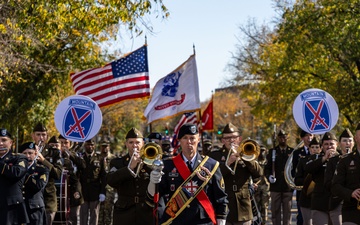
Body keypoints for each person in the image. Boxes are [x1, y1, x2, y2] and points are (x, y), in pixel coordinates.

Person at [147, 123, 229, 225]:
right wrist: (152, 182)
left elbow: (221, 197)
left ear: (198, 139)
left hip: (203, 221)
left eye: (192, 138)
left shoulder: (211, 165)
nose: (189, 142)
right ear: (179, 140)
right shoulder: (168, 165)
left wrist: (222, 219)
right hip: (178, 220)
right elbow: (155, 196)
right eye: (185, 138)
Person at [208, 122, 262, 225]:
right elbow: (212, 176)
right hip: (223, 205)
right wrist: (228, 163)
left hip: (243, 207)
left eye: (234, 137)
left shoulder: (248, 153)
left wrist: (245, 158)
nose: (231, 140)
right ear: (223, 140)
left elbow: (258, 173)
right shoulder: (215, 155)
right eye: (227, 138)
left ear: (239, 139)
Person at [106, 127, 153, 225]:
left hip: (145, 211)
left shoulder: (151, 163)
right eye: (131, 142)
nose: (134, 146)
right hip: (124, 211)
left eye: (137, 142)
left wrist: (146, 163)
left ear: (143, 143)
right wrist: (130, 168)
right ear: (126, 144)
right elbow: (111, 181)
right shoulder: (117, 162)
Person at [304, 131, 338, 225]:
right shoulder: (316, 158)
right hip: (319, 202)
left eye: (331, 144)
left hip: (336, 203)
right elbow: (308, 168)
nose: (329, 146)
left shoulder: (342, 158)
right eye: (326, 144)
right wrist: (323, 159)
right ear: (322, 146)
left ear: (337, 144)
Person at [32, 123, 63, 225]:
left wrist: (44, 160)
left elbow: (58, 174)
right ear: (33, 136)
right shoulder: (27, 150)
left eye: (43, 135)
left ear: (47, 136)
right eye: (38, 134)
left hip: (48, 199)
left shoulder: (54, 152)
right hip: (31, 196)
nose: (41, 137)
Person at [323, 128, 354, 225]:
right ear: (339, 144)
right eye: (344, 141)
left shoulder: (357, 159)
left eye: (350, 141)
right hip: (337, 203)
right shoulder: (333, 161)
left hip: (354, 203)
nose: (347, 143)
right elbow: (327, 183)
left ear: (354, 142)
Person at [332, 124, 360, 224]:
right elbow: (335, 186)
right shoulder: (345, 160)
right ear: (356, 138)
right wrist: (351, 193)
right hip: (351, 212)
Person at [264, 129, 294, 225]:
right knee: (275, 211)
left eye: (284, 137)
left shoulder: (292, 152)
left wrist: (293, 180)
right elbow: (267, 168)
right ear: (278, 138)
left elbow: (295, 169)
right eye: (280, 137)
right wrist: (269, 177)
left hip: (287, 186)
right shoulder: (272, 151)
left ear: (287, 138)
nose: (282, 139)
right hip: (275, 187)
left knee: (287, 212)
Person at [0, 128, 29, 225]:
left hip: (11, 209)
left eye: (4, 140)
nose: (0, 143)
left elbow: (16, 173)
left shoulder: (19, 158)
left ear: (11, 142)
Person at [58, 134, 86, 225]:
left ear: (70, 144)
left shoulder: (75, 154)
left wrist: (70, 155)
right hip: (60, 190)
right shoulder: (55, 155)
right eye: (61, 143)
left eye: (66, 143)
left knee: (73, 216)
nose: (63, 145)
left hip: (73, 189)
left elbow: (83, 166)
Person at [20, 141, 50, 225]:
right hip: (19, 208)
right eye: (24, 153)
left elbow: (38, 185)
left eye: (30, 153)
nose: (28, 156)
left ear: (35, 154)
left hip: (35, 209)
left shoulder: (42, 169)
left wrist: (23, 172)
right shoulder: (16, 168)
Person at [79, 138, 107, 225]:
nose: (90, 146)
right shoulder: (80, 157)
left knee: (94, 214)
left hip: (95, 190)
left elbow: (104, 176)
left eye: (92, 145)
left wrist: (103, 192)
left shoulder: (100, 158)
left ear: (94, 146)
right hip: (83, 190)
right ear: (85, 146)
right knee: (83, 214)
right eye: (88, 144)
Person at [295, 136, 321, 225]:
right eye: (312, 147)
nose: (314, 149)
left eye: (317, 147)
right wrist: (309, 182)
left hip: (321, 198)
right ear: (309, 149)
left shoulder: (325, 161)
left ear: (321, 149)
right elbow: (297, 180)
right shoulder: (303, 161)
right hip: (306, 197)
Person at [292, 129, 313, 225]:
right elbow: (294, 170)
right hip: (302, 187)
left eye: (311, 135)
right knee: (301, 216)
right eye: (307, 135)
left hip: (315, 188)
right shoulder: (297, 153)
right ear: (302, 138)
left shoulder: (318, 151)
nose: (310, 138)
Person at [98, 139, 116, 225]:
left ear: (109, 147)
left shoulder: (113, 159)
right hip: (98, 188)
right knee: (99, 213)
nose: (104, 148)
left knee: (108, 211)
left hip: (109, 189)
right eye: (103, 146)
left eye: (106, 146)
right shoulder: (97, 158)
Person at [253, 145, 270, 224]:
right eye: (260, 151)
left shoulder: (268, 161)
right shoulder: (254, 160)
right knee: (256, 206)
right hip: (256, 185)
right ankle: (256, 221)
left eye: (263, 151)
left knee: (264, 206)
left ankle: (264, 221)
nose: (262, 153)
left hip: (265, 186)